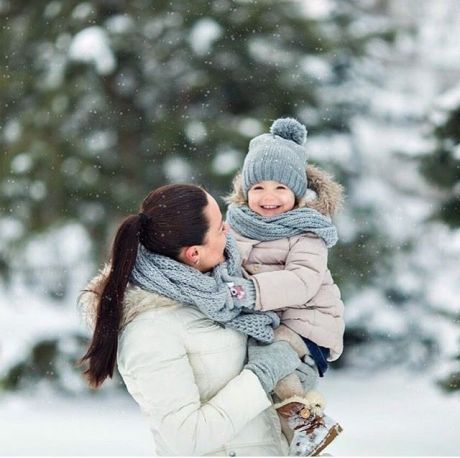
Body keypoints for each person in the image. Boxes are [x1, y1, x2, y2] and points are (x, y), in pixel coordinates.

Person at [78, 183, 305, 456]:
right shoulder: (150, 331)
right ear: (194, 253)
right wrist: (262, 376)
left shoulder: (219, 294)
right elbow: (187, 438)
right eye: (219, 227)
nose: (228, 230)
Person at [223, 117, 346, 456]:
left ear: (296, 192)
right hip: (269, 320)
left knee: (269, 356)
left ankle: (310, 425)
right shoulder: (235, 226)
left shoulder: (308, 231)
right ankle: (300, 439)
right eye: (258, 188)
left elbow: (302, 281)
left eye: (280, 188)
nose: (269, 197)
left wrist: (249, 290)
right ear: (245, 191)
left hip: (307, 325)